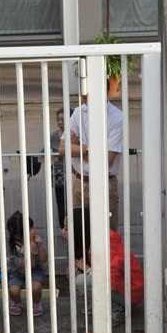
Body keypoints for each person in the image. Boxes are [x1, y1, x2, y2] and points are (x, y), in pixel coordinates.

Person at [62, 208, 144, 326]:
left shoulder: (108, 245)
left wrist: (87, 269)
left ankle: (118, 309)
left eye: (67, 228)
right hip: (122, 287)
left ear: (79, 229)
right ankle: (104, 304)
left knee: (81, 280)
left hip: (129, 293)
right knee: (79, 277)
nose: (63, 232)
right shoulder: (94, 240)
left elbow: (111, 284)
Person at [58, 86, 123, 230]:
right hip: (79, 181)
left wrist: (78, 146)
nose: (84, 97)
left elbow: (107, 159)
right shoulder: (78, 113)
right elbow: (62, 148)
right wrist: (88, 149)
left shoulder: (117, 118)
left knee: (107, 234)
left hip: (104, 183)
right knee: (77, 235)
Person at [6, 211, 48, 317]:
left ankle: (36, 303)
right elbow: (22, 265)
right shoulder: (13, 247)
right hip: (17, 272)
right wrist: (30, 251)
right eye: (29, 229)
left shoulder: (36, 241)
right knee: (13, 290)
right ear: (17, 235)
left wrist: (39, 247)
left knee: (36, 287)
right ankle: (17, 303)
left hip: (35, 269)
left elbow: (44, 259)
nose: (33, 231)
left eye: (32, 227)